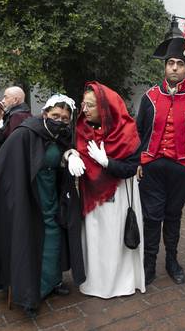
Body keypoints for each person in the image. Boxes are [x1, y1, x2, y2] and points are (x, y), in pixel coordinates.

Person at [0, 95, 84, 318]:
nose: (60, 120)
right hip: (28, 198)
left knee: (54, 235)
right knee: (28, 240)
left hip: (51, 196)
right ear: (45, 113)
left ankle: (52, 280)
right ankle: (29, 292)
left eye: (65, 118)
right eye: (55, 115)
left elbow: (58, 155)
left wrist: (69, 153)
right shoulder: (25, 133)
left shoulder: (59, 134)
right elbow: (9, 167)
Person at [136, 15, 185, 285]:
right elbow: (138, 133)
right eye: (170, 63)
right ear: (165, 67)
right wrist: (137, 161)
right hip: (152, 168)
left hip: (183, 169)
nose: (174, 68)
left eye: (180, 64)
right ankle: (148, 265)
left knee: (173, 215)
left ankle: (171, 261)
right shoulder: (149, 97)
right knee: (151, 217)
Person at [67, 81, 145, 298]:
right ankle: (96, 282)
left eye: (90, 105)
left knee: (114, 236)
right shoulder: (82, 129)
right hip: (92, 195)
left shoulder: (126, 131)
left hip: (119, 194)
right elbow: (70, 148)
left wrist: (107, 162)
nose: (85, 110)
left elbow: (131, 167)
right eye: (84, 104)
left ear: (105, 107)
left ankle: (119, 283)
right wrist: (71, 154)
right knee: (95, 237)